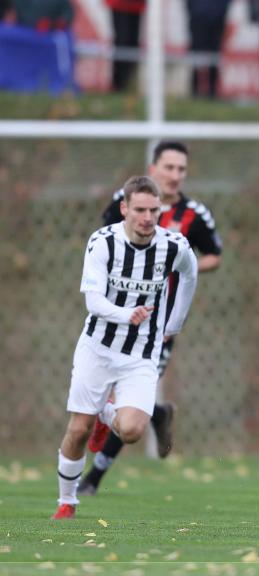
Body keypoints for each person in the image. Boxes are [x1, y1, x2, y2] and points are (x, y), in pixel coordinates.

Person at [78, 141, 222, 496]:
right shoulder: (123, 201)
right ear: (153, 168)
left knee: (129, 400)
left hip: (158, 326)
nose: (175, 175)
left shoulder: (195, 214)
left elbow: (213, 256)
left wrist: (181, 268)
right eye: (169, 167)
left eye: (181, 169)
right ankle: (157, 414)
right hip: (115, 318)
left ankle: (94, 478)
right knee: (111, 398)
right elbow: (108, 242)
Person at [53, 176, 198, 519]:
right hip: (98, 348)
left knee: (132, 430)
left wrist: (174, 323)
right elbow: (93, 301)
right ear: (124, 209)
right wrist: (126, 314)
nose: (147, 218)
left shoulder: (173, 245)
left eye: (153, 210)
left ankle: (106, 414)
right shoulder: (103, 242)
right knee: (78, 429)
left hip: (141, 353)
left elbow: (190, 275)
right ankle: (67, 502)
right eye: (140, 210)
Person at [186, 0, 232, 99]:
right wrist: (194, 10)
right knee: (196, 54)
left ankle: (212, 90)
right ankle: (195, 89)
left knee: (214, 54)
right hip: (198, 15)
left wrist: (221, 11)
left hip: (216, 16)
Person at [106, 0, 145, 92]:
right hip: (119, 3)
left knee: (133, 43)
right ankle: (119, 84)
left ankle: (129, 83)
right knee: (122, 41)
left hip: (136, 4)